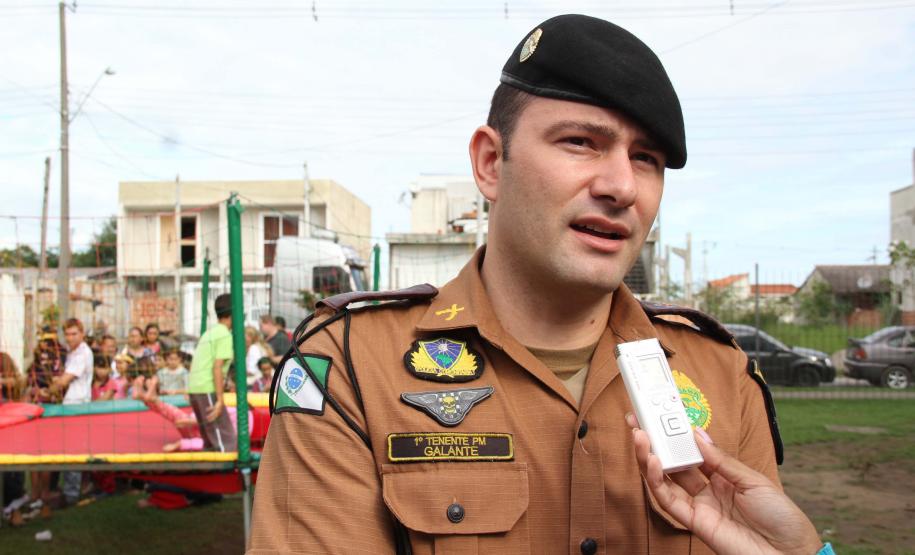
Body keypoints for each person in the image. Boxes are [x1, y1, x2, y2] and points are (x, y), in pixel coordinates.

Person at [249, 14, 818, 554]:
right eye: (581, 142)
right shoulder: (352, 365)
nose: (622, 186)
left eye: (646, 158)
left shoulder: (720, 371)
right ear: (491, 163)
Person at [51, 318, 94, 506]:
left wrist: (49, 386)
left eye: (74, 333)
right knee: (66, 448)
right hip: (69, 404)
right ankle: (67, 490)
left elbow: (62, 381)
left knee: (73, 449)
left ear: (82, 333)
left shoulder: (82, 353)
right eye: (67, 334)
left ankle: (71, 495)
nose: (70, 338)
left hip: (78, 406)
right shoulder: (71, 352)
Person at [187, 294, 236, 453]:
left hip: (197, 388)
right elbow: (217, 367)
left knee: (210, 439)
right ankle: (229, 473)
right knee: (226, 440)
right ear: (233, 315)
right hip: (207, 388)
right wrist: (220, 399)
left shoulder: (210, 333)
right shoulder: (224, 335)